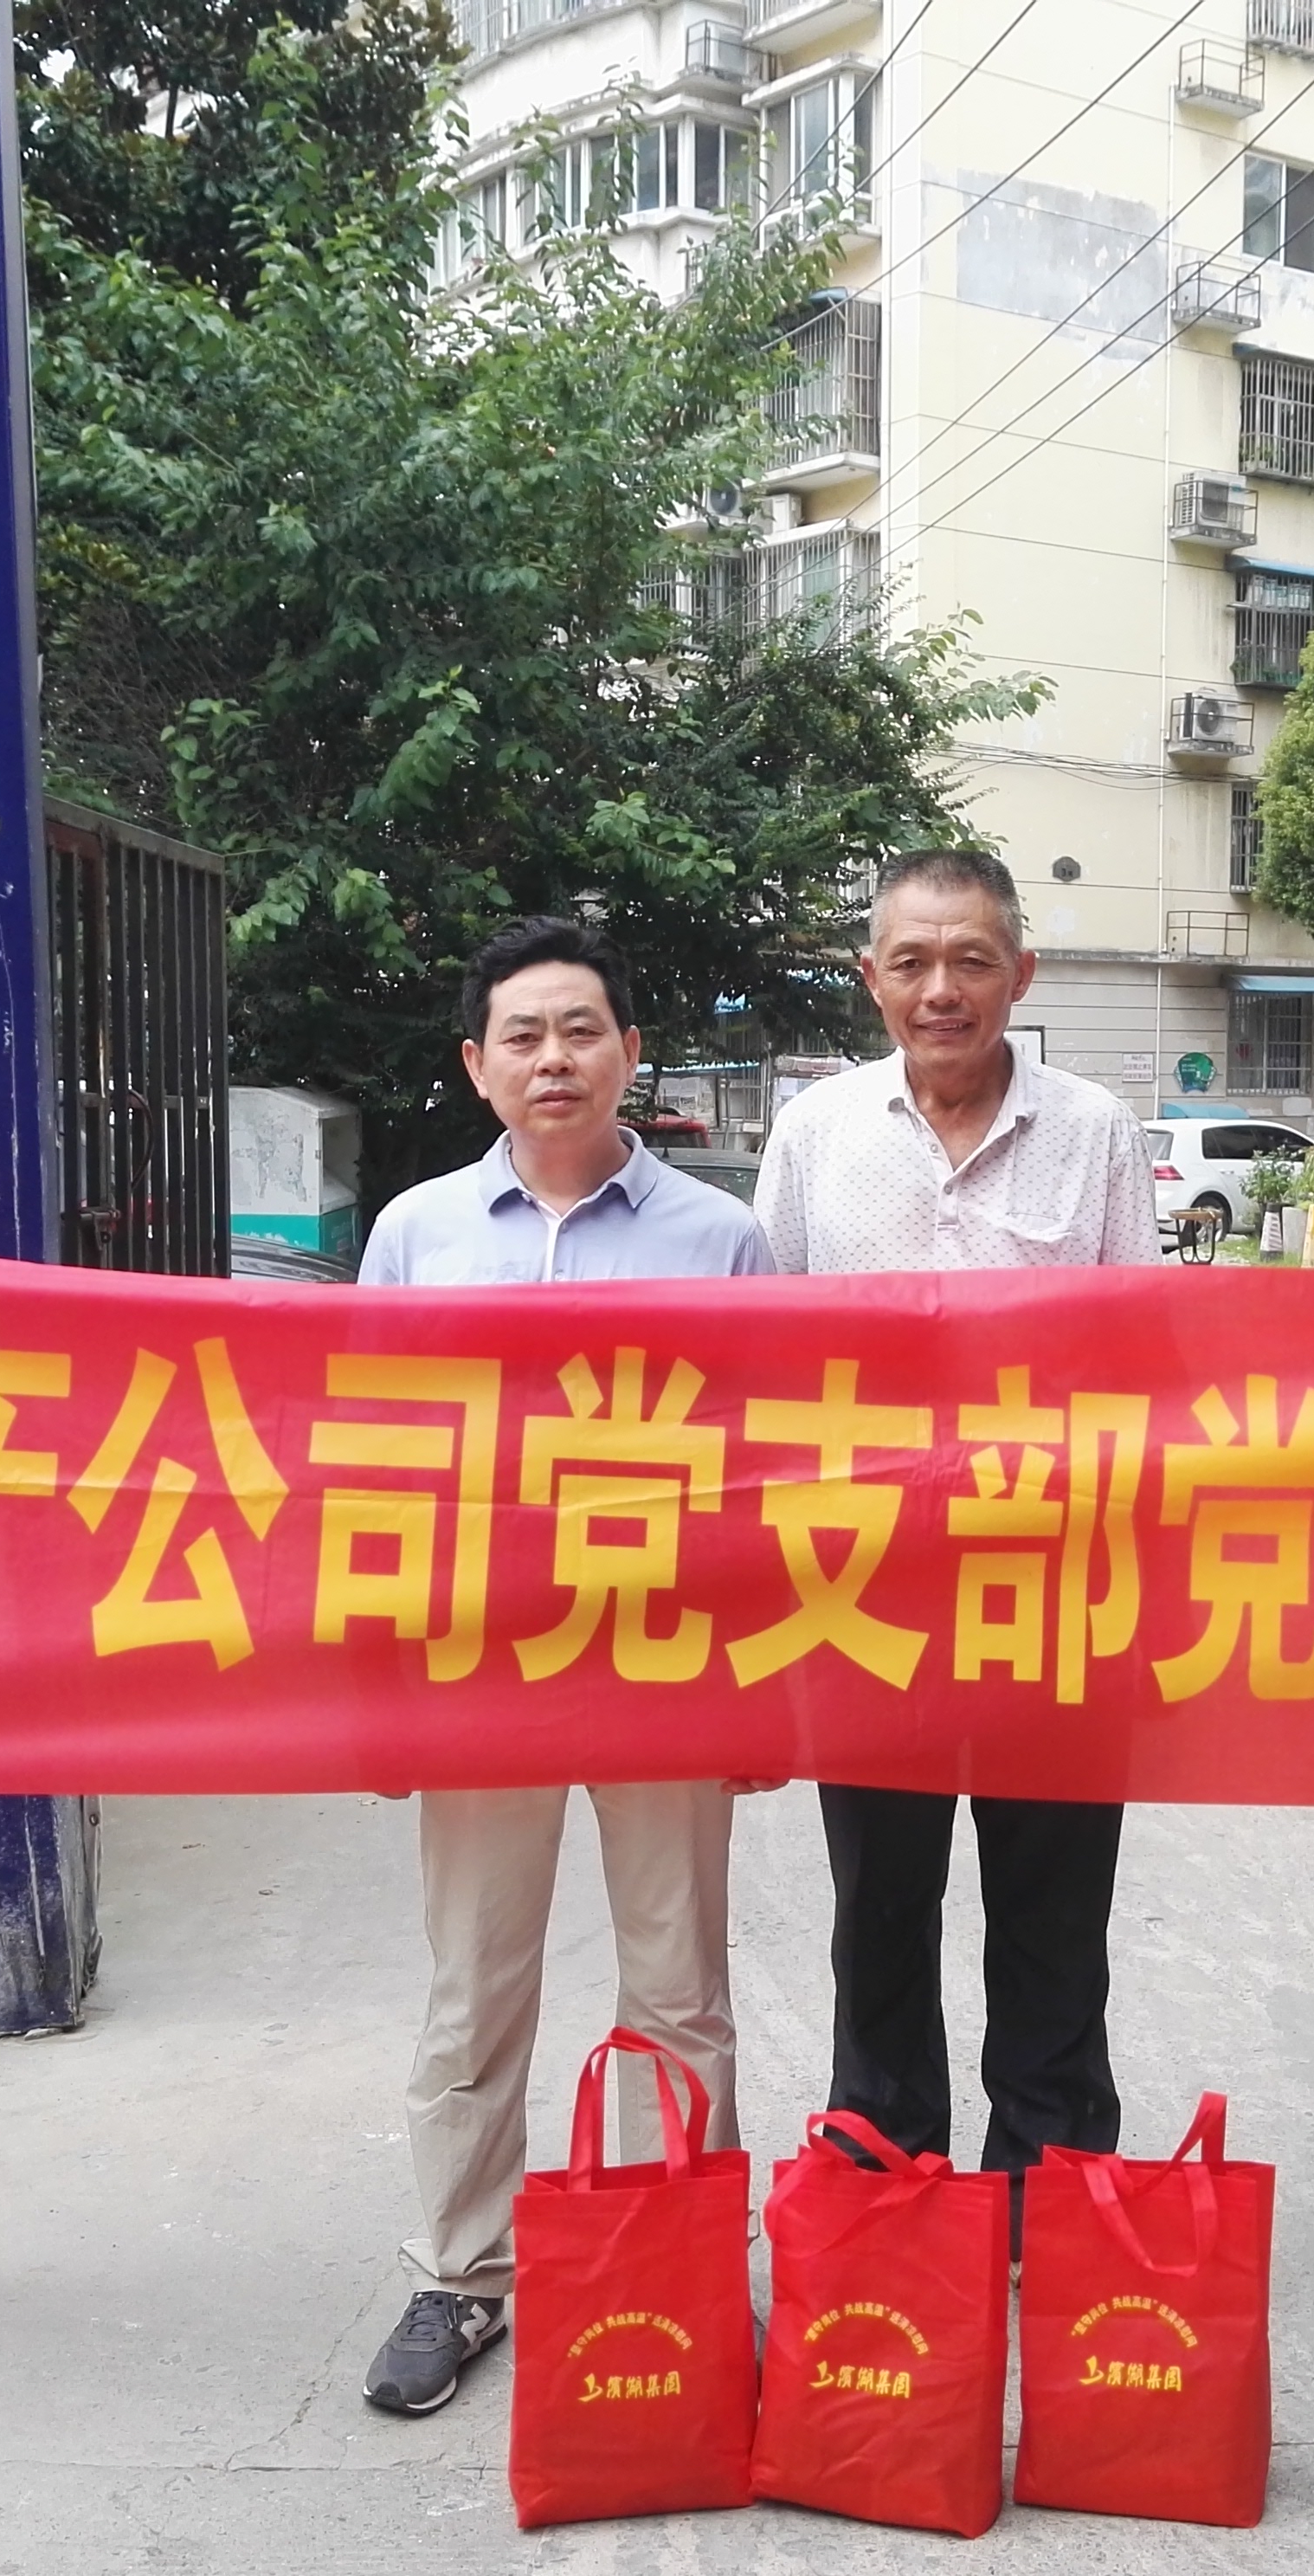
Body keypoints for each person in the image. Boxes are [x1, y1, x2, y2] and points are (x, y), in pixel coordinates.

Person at [358, 915, 771, 2417]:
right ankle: (461, 2274)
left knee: (679, 1987)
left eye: (581, 1031)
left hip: (665, 1659)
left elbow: (768, 1472)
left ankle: (672, 2267)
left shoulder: (719, 1240)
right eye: (523, 1037)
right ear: (479, 1066)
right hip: (479, 1668)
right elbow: (373, 1470)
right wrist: (382, 1692)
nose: (554, 1059)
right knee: (475, 1988)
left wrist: (756, 1690)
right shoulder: (416, 1236)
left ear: (630, 1054)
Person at [754, 850, 1153, 2230]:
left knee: (1055, 1913)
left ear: (1019, 975)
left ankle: (1048, 2188)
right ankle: (889, 2180)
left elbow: (1139, 1354)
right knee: (880, 1908)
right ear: (870, 977)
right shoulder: (815, 1133)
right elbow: (766, 1358)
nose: (943, 989)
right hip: (867, 1591)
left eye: (972, 960)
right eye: (914, 962)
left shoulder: (1096, 1129)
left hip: (1054, 1590)